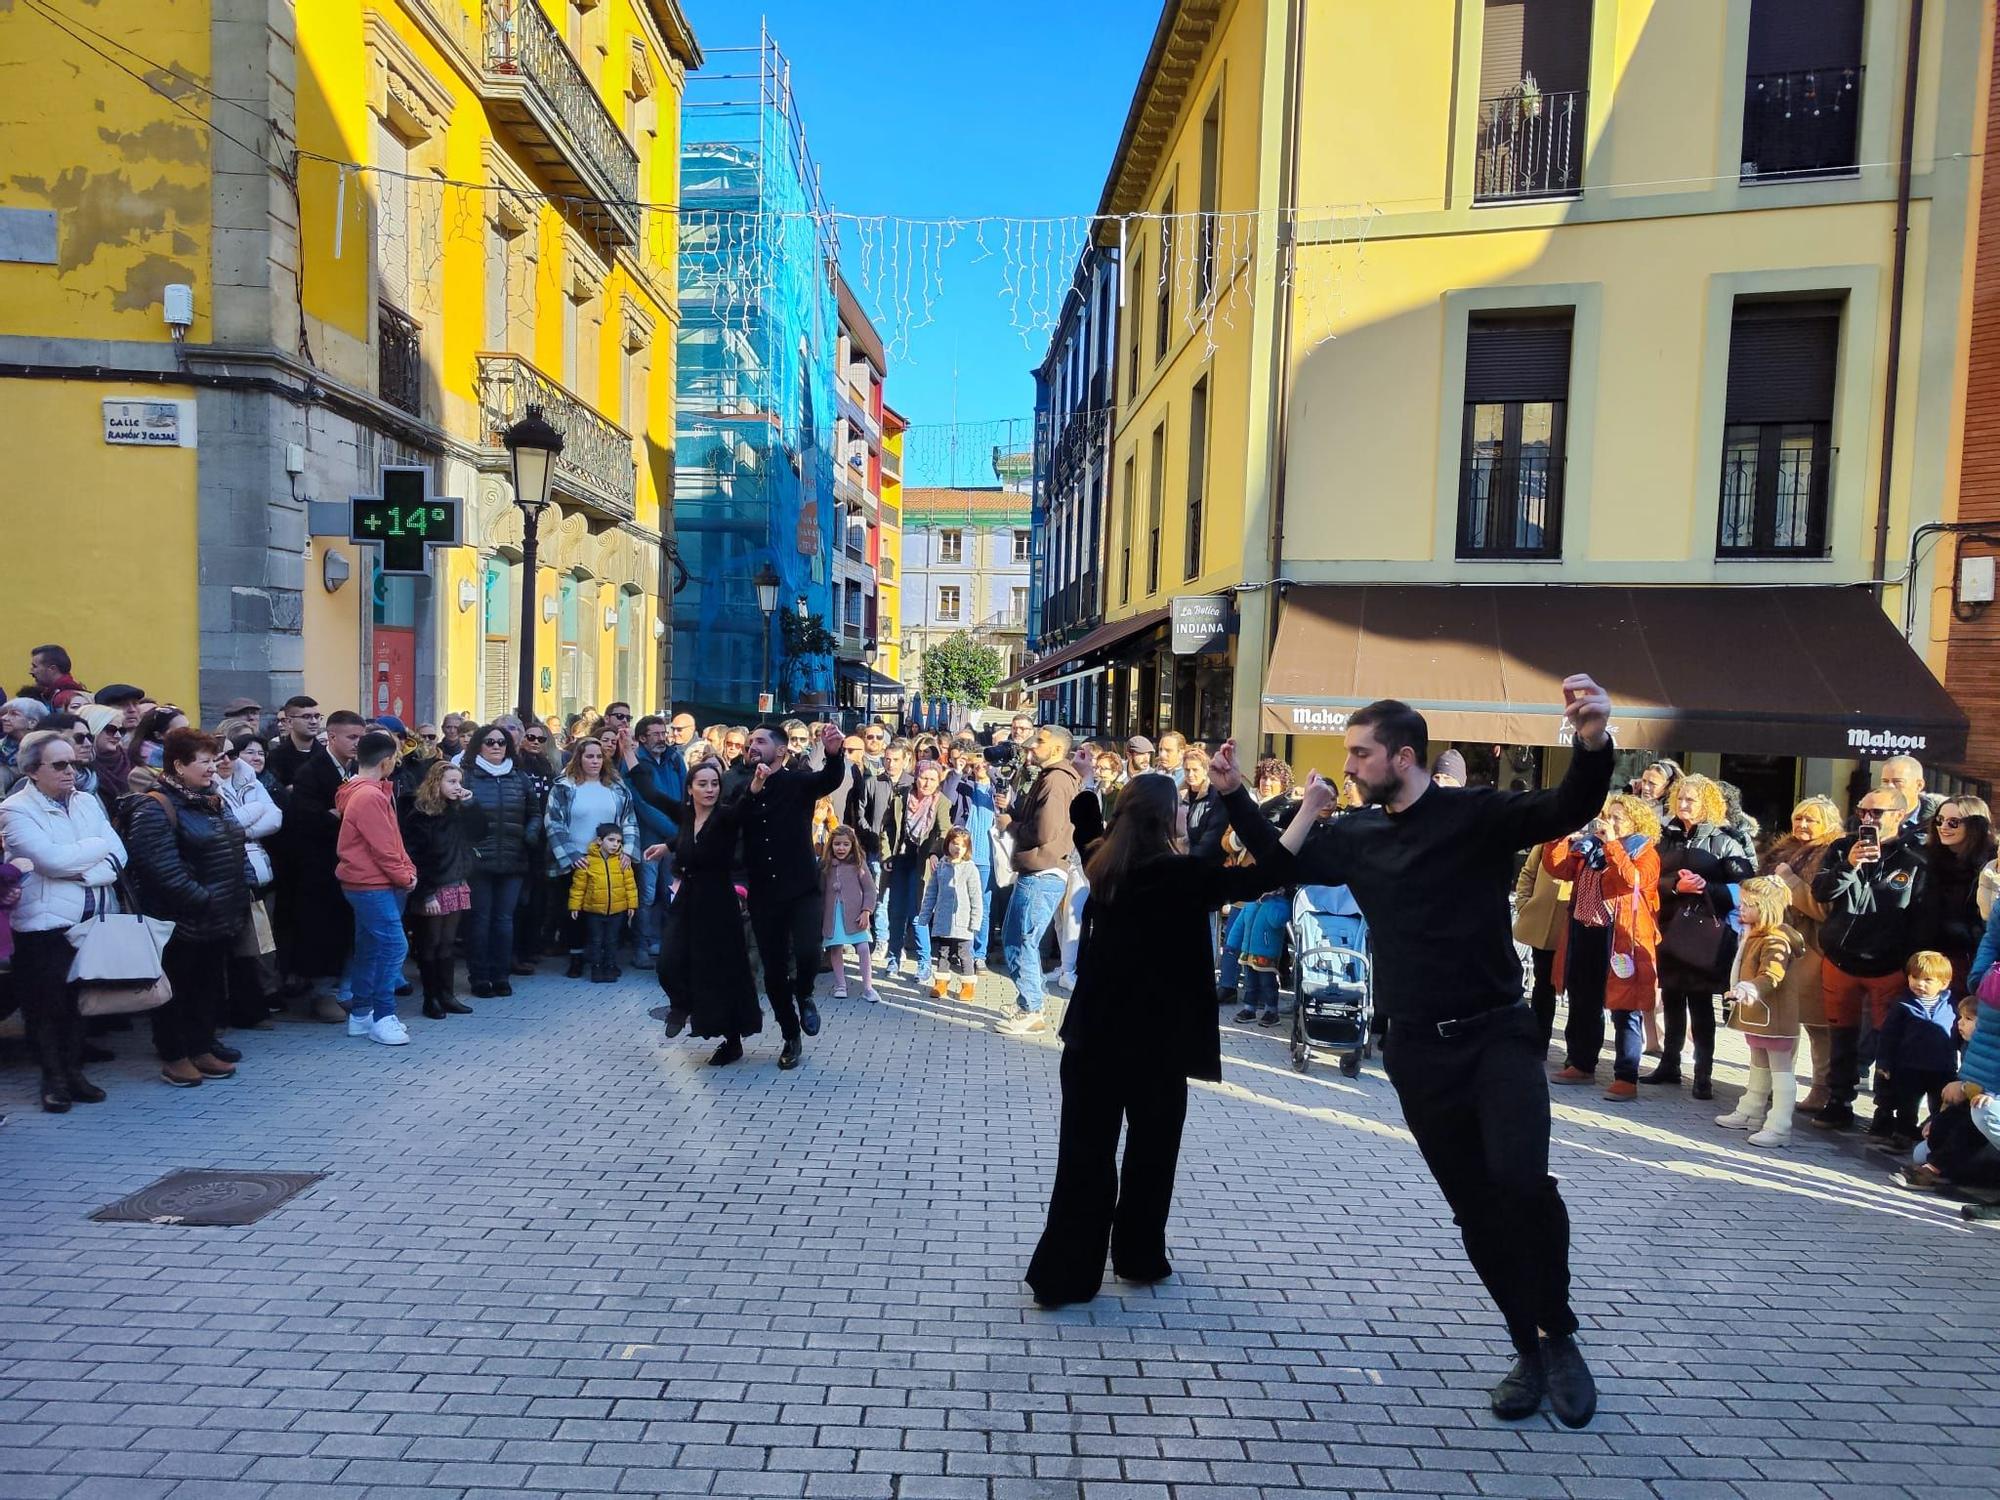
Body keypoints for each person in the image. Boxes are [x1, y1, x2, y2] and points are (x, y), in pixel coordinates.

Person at [1215, 675, 1615, 1429]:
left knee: (1522, 1185)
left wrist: (1591, 741)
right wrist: (1236, 793)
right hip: (1415, 1051)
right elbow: (1277, 866)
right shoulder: (1355, 836)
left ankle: (1557, 1332)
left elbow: (1567, 807)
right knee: (1474, 1209)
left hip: (1497, 1033)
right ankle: (1525, 1347)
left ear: (1404, 756)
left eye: (1360, 755)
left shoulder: (1476, 814)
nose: (1349, 767)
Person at [1025, 769, 1328, 1309]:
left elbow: (1084, 819)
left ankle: (1063, 1274)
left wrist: (1093, 786)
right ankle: (1139, 1257)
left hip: (1094, 1037)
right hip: (1157, 1045)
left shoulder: (1103, 863)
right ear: (1171, 818)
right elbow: (1272, 871)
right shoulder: (1183, 875)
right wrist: (1305, 809)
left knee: (1083, 1155)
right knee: (1151, 1152)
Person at [0, 729, 126, 1111]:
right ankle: (53, 1079)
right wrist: (95, 849)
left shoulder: (87, 802)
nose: (70, 770)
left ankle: (74, 1073)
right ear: (33, 770)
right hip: (45, 924)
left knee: (78, 1003)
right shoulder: (15, 809)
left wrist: (83, 867)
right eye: (59, 764)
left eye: (72, 762)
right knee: (46, 1006)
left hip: (93, 916)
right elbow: (50, 860)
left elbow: (118, 853)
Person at [122, 726, 253, 1086]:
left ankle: (201, 1047)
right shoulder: (155, 805)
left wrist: (242, 886)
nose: (214, 767)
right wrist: (202, 898)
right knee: (176, 989)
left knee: (207, 986)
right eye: (206, 761)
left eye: (216, 760)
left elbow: (235, 844)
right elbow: (159, 866)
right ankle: (174, 1054)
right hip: (179, 919)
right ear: (179, 766)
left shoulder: (212, 799)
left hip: (218, 915)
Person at [1812, 785, 1928, 1130]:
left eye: (1876, 813)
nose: (1867, 818)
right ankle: (1838, 1102)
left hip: (1887, 964)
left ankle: (1886, 1110)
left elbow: (1921, 915)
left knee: (1888, 1040)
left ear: (1900, 815)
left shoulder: (1916, 858)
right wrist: (1849, 865)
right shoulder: (1843, 847)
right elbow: (1821, 891)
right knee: (1842, 1036)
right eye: (1862, 811)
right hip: (1841, 957)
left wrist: (1909, 960)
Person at [734, 722, 848, 1069]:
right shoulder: (742, 784)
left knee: (808, 951)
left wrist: (833, 753)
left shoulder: (797, 781)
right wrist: (753, 789)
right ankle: (789, 1035)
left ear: (781, 750)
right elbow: (732, 821)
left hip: (801, 889)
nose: (753, 745)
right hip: (764, 892)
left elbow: (829, 780)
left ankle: (807, 993)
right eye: (751, 740)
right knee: (773, 971)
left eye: (761, 741)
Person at [1545, 795, 1662, 1101]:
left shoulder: (1644, 851)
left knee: (1625, 1007)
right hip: (1584, 931)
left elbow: (1631, 881)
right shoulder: (1590, 847)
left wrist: (1612, 845)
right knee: (1582, 999)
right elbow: (1558, 869)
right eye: (1608, 815)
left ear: (1636, 822)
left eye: (1618, 817)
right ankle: (1581, 1062)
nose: (1609, 822)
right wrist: (1559, 836)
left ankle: (1626, 1075)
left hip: (1620, 936)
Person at [647, 759, 762, 1065]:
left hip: (718, 902)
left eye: (714, 784)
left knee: (719, 972)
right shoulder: (686, 816)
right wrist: (668, 846)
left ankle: (732, 1041)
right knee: (668, 960)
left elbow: (743, 807)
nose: (710, 789)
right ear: (690, 789)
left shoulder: (724, 816)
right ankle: (681, 1005)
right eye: (702, 784)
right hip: (688, 897)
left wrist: (756, 784)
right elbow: (651, 794)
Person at [1649, 774, 1755, 1100]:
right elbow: (1649, 879)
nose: (1683, 805)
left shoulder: (1725, 841)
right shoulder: (1665, 837)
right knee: (1671, 997)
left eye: (1691, 800)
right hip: (1668, 926)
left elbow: (1747, 889)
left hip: (1706, 932)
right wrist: (1673, 886)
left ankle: (1703, 1073)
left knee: (1699, 1002)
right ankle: (1669, 1063)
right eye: (1679, 798)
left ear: (1707, 802)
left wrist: (1707, 887)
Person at [1715, 876, 1815, 1147]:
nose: (1742, 909)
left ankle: (1780, 1125)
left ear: (1767, 907)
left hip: (1775, 1015)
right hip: (1758, 1014)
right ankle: (1751, 1109)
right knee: (1759, 1060)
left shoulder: (1776, 939)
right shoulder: (1756, 933)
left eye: (1749, 904)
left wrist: (1749, 989)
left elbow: (1772, 974)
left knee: (1780, 1069)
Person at [279, 708, 364, 1018]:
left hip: (351, 864)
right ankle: (321, 992)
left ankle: (346, 988)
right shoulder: (312, 772)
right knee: (321, 930)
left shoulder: (358, 769)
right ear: (332, 737)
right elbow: (307, 820)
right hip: (317, 867)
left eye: (361, 737)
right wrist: (339, 816)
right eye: (352, 737)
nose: (358, 743)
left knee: (348, 928)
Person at [1760, 796, 1843, 1111]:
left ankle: (1822, 1087)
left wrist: (1791, 882)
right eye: (1798, 818)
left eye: (1811, 820)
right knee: (1780, 1019)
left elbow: (1826, 908)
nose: (1802, 825)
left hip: (1812, 947)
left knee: (1818, 1025)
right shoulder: (1783, 850)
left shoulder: (1833, 852)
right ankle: (1777, 1081)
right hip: (1779, 943)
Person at [335, 730, 417, 1045]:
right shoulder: (368, 795)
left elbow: (392, 842)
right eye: (395, 758)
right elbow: (384, 848)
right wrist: (405, 876)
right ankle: (384, 1016)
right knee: (395, 947)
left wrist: (405, 870)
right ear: (385, 761)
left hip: (371, 882)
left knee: (370, 948)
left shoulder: (366, 791)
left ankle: (361, 1015)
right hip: (371, 884)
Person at [998, 723, 1080, 1036]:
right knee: (1015, 936)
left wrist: (1010, 825)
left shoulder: (1057, 780)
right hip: (1037, 869)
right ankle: (1029, 1002)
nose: (1033, 747)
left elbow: (1045, 833)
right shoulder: (1050, 776)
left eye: (1040, 743)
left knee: (1022, 939)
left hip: (1043, 870)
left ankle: (1031, 1008)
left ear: (1057, 749)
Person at [544, 737, 640, 979]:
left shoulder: (616, 788)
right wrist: (570, 854)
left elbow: (628, 821)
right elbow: (554, 822)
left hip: (610, 860)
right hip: (578, 859)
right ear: (579, 758)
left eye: (599, 756)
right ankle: (576, 958)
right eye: (589, 756)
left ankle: (606, 959)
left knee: (609, 913)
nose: (595, 761)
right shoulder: (564, 787)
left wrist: (627, 851)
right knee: (575, 912)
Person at [459, 722, 540, 998]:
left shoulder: (519, 777)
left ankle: (501, 975)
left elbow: (536, 813)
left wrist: (529, 835)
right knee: (480, 920)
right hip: (478, 861)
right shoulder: (466, 776)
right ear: (479, 745)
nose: (496, 747)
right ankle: (479, 977)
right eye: (490, 742)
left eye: (501, 742)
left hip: (513, 859)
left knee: (505, 920)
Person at [401, 758, 484, 1019]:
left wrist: (471, 803)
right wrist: (425, 893)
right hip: (433, 885)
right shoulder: (420, 814)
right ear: (437, 782)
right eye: (452, 781)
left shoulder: (458, 809)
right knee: (430, 942)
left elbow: (481, 832)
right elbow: (416, 855)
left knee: (447, 943)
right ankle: (431, 998)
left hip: (457, 880)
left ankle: (447, 995)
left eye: (459, 781)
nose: (457, 786)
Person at [217, 731, 284, 1029]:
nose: (226, 761)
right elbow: (224, 823)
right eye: (218, 756)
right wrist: (255, 811)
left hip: (256, 870)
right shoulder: (206, 783)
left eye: (231, 754)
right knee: (230, 948)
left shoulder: (247, 778)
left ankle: (253, 1006)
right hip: (225, 872)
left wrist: (245, 829)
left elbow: (276, 817)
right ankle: (230, 1009)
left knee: (254, 944)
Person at [1873, 950, 1959, 1149]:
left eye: (1928, 980)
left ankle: (1934, 1136)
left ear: (1944, 983)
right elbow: (1888, 1036)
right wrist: (1884, 1062)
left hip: (1942, 1068)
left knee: (1939, 1106)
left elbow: (1958, 1035)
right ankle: (1902, 1134)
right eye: (1915, 978)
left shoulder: (1952, 1007)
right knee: (1907, 1104)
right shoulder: (1902, 1005)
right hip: (1909, 1067)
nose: (1920, 984)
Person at [883, 758, 953, 981]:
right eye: (924, 778)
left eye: (933, 779)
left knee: (917, 913)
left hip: (922, 862)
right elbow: (888, 826)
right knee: (896, 912)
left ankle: (924, 963)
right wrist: (886, 854)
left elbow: (945, 832)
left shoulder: (941, 802)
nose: (927, 783)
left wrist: (935, 851)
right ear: (916, 777)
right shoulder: (902, 796)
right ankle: (893, 958)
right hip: (901, 857)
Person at [1918, 796, 1995, 989]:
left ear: (1974, 827)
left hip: (1973, 957)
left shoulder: (1991, 865)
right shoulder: (1924, 858)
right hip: (1929, 959)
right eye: (1939, 820)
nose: (1943, 826)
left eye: (1953, 823)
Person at [629, 715, 686, 966]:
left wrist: (681, 827)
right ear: (642, 738)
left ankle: (664, 943)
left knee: (668, 891)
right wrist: (671, 829)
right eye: (655, 734)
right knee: (647, 894)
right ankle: (641, 946)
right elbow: (641, 802)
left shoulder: (675, 759)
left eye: (664, 733)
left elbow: (686, 791)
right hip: (649, 837)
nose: (662, 738)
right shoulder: (634, 763)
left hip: (675, 836)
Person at [1513, 842, 1571, 1049]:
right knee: (1543, 983)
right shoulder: (1549, 841)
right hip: (1542, 924)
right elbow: (1528, 873)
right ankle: (1539, 1041)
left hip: (1573, 928)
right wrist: (1524, 903)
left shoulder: (1591, 842)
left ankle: (1575, 1054)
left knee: (1573, 989)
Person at [920, 827, 984, 1002]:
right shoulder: (941, 865)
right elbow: (931, 891)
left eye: (962, 846)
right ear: (947, 843)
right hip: (943, 920)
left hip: (963, 921)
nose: (958, 848)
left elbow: (976, 897)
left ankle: (968, 986)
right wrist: (925, 915)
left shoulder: (970, 868)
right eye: (954, 844)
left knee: (965, 954)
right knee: (943, 952)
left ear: (967, 848)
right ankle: (941, 983)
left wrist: (975, 921)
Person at [569, 822, 639, 982]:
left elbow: (630, 885)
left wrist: (632, 905)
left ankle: (610, 966)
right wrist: (575, 906)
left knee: (612, 940)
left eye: (619, 841)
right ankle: (596, 967)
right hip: (594, 911)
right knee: (595, 940)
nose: (615, 844)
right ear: (600, 841)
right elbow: (578, 887)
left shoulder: (622, 862)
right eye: (611, 840)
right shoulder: (587, 862)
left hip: (617, 910)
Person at [821, 824, 879, 1003]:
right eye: (837, 844)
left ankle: (868, 987)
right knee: (836, 948)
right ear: (831, 845)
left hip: (855, 914)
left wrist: (866, 911)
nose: (841, 848)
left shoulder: (858, 864)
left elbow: (870, 890)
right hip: (833, 914)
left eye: (845, 844)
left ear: (852, 845)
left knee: (863, 948)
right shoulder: (825, 866)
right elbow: (819, 890)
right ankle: (840, 984)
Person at [1879, 755, 1945, 844]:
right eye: (1885, 781)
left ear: (1919, 785)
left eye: (1897, 781)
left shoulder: (1937, 824)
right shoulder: (1866, 818)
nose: (1889, 787)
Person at [1181, 747, 1225, 863]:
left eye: (1195, 770)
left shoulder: (1216, 797)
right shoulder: (1177, 795)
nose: (1190, 774)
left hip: (1204, 864)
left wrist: (1190, 861)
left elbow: (1212, 837)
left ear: (1205, 770)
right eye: (1187, 770)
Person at [0, 696, 52, 795]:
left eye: (14, 714)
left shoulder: (46, 750)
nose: (4, 718)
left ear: (32, 723)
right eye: (5, 714)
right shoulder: (2, 746)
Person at [26, 645, 88, 714]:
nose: (30, 672)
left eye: (35, 666)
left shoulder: (63, 699)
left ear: (52, 669)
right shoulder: (58, 694)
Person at [129, 704, 188, 771]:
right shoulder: (151, 763)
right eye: (181, 731)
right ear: (158, 735)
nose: (188, 733)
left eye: (188, 728)